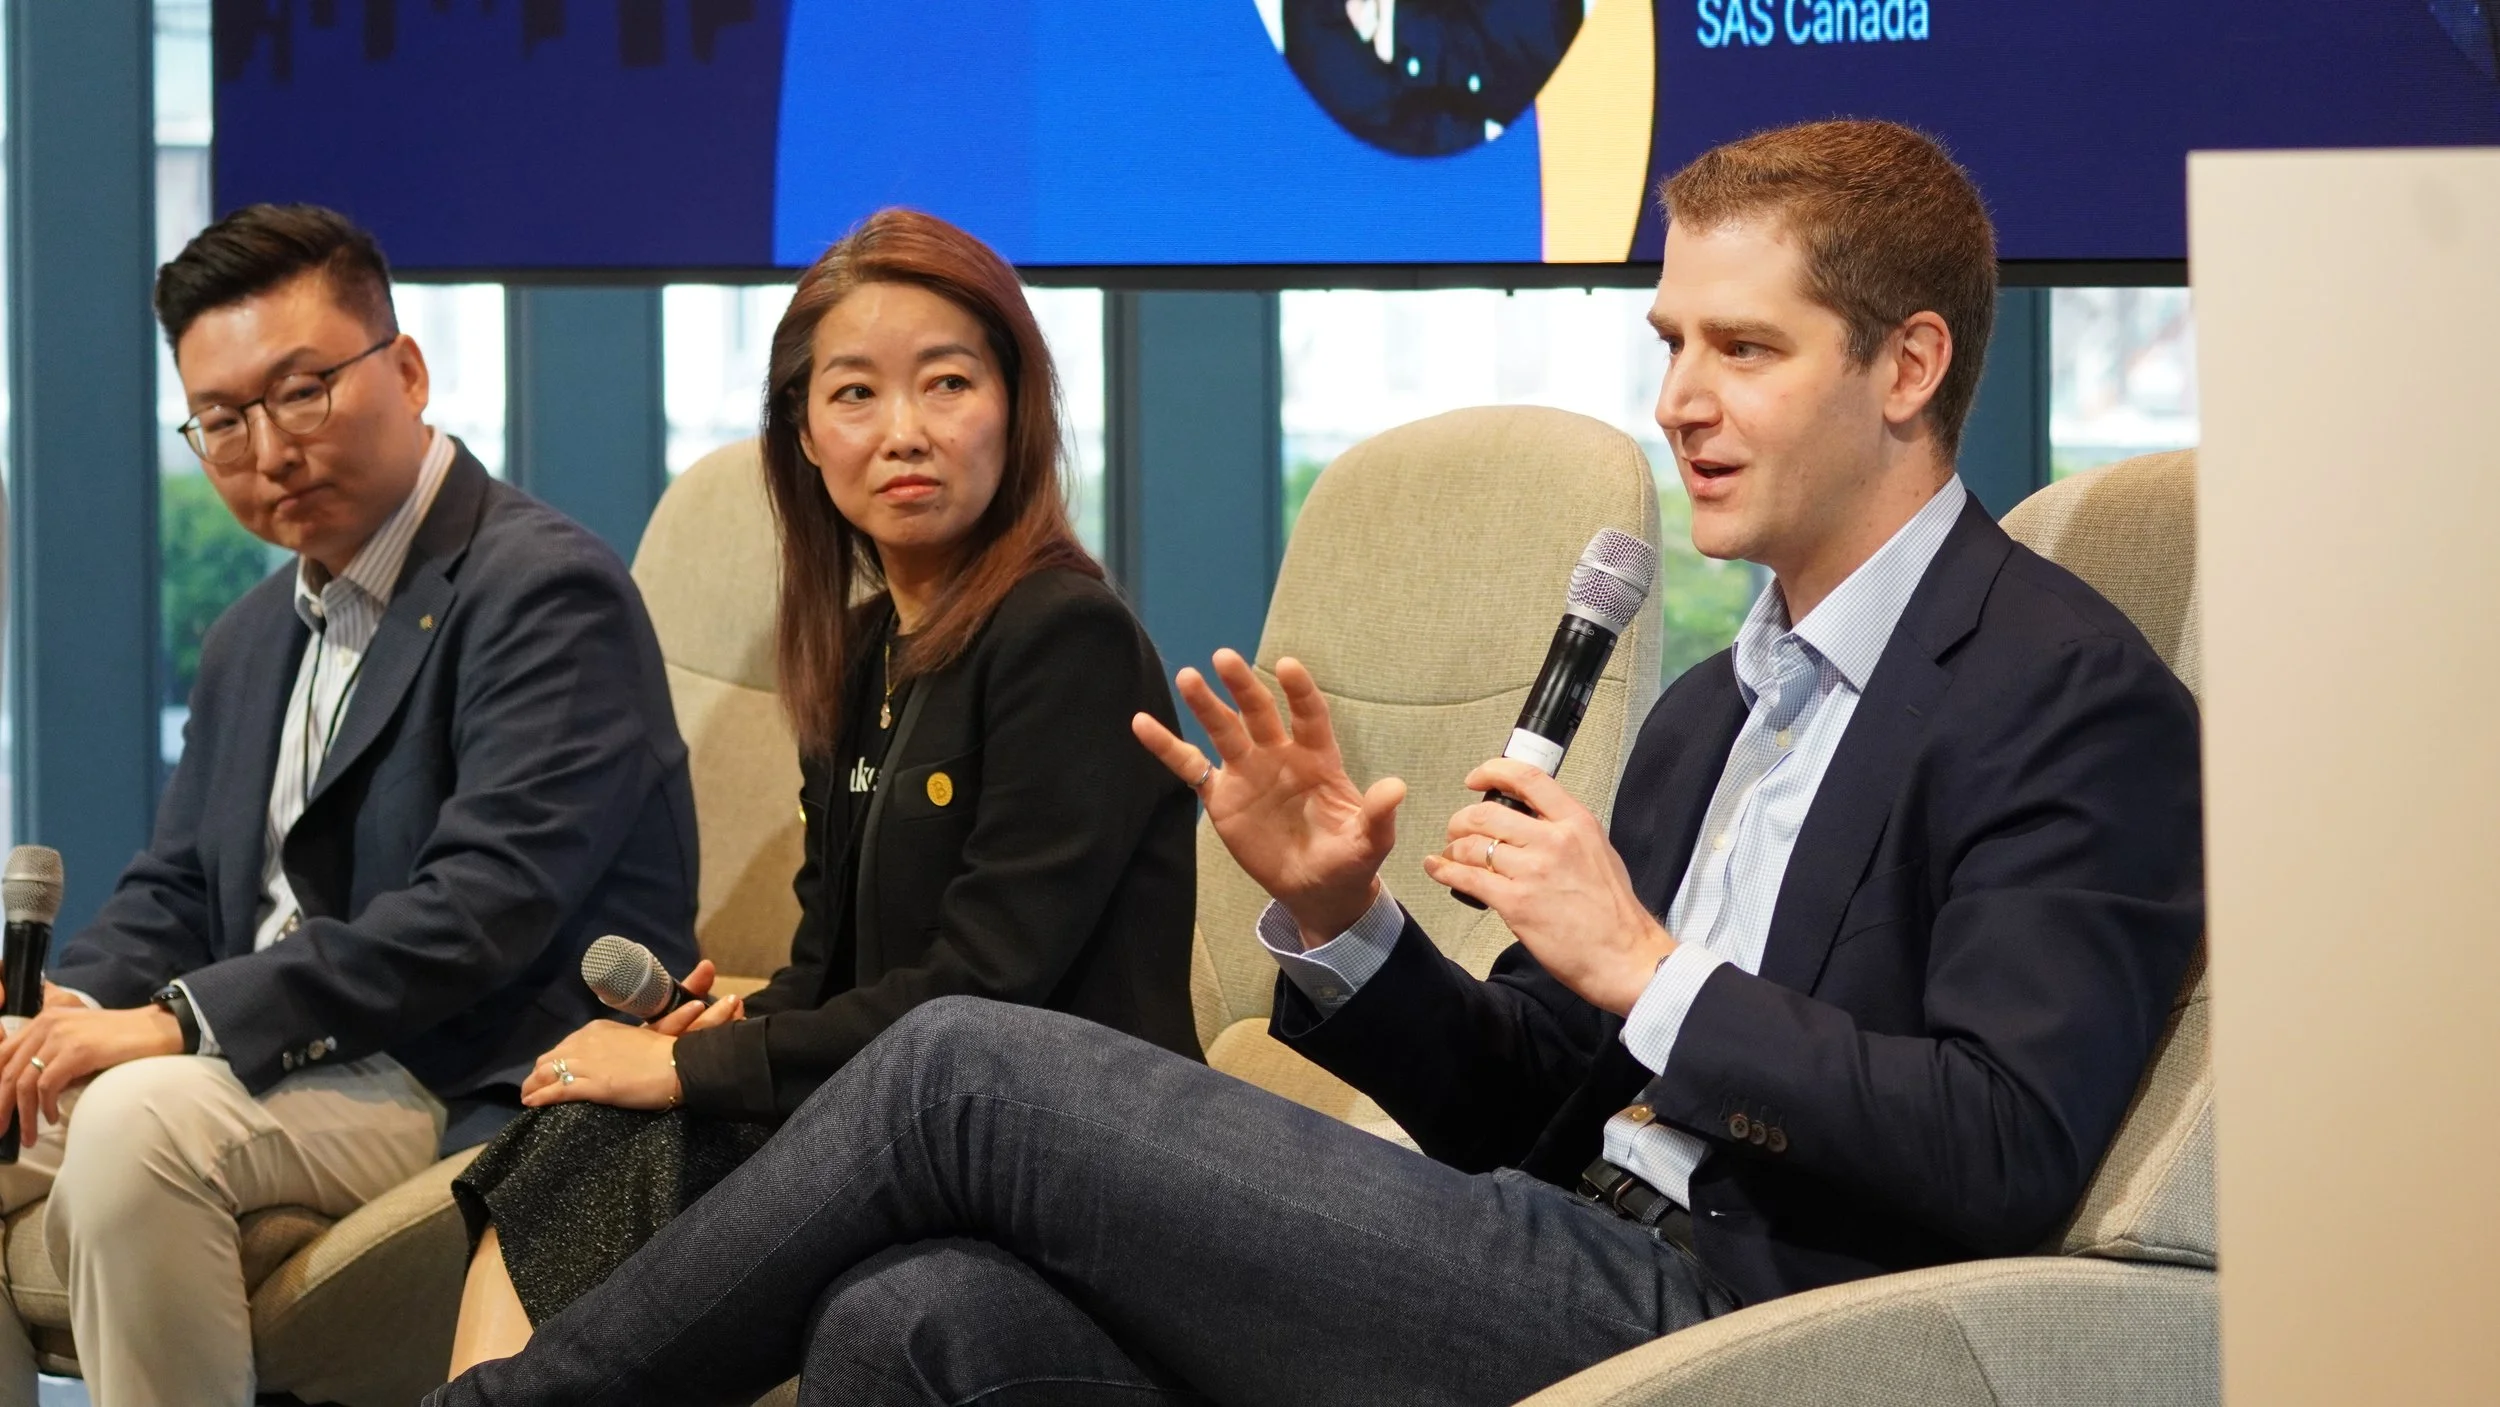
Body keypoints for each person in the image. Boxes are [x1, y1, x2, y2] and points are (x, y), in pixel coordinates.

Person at [428, 120, 2204, 1407]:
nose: (1680, 397)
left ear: (1909, 366)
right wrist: (1350, 927)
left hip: (1737, 1318)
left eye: (1745, 349)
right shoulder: (1710, 711)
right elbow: (1523, 1104)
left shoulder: (2057, 690)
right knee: (913, 1316)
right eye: (1672, 343)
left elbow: (2004, 1147)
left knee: (961, 1068)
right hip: (1538, 1241)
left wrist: (1653, 970)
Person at [444, 208, 1201, 1371]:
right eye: (855, 394)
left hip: (1058, 1152)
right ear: (802, 433)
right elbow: (831, 969)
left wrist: (691, 1068)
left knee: (621, 1146)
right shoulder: (855, 655)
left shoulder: (1067, 636)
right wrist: (731, 1025)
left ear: (1015, 406)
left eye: (947, 383)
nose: (904, 432)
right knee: (573, 1138)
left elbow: (981, 992)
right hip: (895, 1127)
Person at [0, 203, 700, 1407]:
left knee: (138, 1124)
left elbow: (480, 911)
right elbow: (178, 890)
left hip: (461, 1062)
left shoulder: (543, 591)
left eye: (302, 392)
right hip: (275, 1061)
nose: (268, 449)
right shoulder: (254, 635)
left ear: (408, 371)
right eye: (223, 420)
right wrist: (67, 1013)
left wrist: (177, 1022)